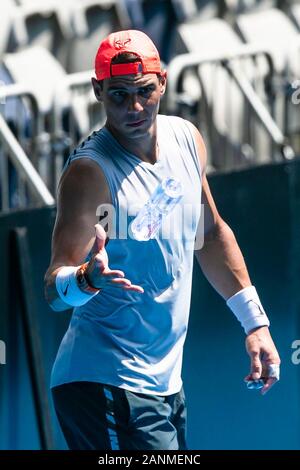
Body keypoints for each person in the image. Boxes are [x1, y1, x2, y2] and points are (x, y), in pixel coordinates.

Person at [44, 29, 280, 451]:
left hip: (165, 384)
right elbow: (54, 291)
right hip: (103, 384)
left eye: (144, 91)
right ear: (98, 90)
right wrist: (85, 279)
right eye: (118, 95)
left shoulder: (186, 139)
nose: (134, 107)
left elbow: (208, 235)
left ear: (164, 82)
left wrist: (255, 324)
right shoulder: (90, 174)